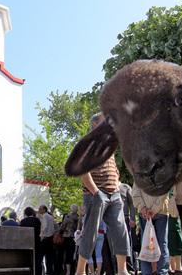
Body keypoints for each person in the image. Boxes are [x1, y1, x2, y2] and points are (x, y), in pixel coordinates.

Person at [75, 112, 130, 275]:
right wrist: (96, 192)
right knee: (91, 232)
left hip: (114, 194)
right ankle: (80, 271)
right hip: (96, 194)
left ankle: (122, 270)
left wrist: (116, 177)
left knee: (121, 230)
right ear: (95, 126)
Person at [132, 183, 170, 275]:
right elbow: (165, 188)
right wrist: (152, 208)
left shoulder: (139, 169)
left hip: (149, 213)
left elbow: (136, 191)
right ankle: (162, 272)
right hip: (159, 210)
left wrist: (143, 207)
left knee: (146, 243)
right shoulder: (163, 168)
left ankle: (147, 272)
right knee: (161, 243)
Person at [168, 188, 182, 275]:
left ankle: (178, 267)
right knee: (169, 238)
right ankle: (169, 266)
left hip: (177, 214)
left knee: (178, 237)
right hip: (167, 212)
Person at [36, 205, 59, 275]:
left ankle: (38, 272)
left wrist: (42, 236)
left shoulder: (44, 216)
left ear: (44, 210)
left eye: (40, 209)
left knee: (39, 258)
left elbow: (44, 226)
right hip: (51, 239)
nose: (39, 210)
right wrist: (54, 233)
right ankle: (50, 273)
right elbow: (57, 226)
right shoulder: (51, 217)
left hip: (45, 239)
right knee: (49, 258)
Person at [20, 207, 42, 271]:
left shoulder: (23, 221)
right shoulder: (37, 220)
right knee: (37, 260)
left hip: (26, 242)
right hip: (36, 241)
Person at [60, 204, 79, 275]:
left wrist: (60, 232)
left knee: (67, 254)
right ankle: (76, 270)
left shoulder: (68, 217)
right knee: (74, 253)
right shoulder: (78, 217)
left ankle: (68, 272)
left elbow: (62, 226)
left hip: (67, 237)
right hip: (76, 237)